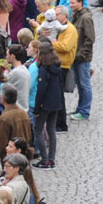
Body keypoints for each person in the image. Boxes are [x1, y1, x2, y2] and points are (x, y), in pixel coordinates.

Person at [33, 37, 64, 170]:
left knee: (38, 129)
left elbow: (41, 90)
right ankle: (51, 159)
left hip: (45, 103)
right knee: (51, 130)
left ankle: (44, 160)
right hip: (56, 102)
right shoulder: (57, 66)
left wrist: (37, 108)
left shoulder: (44, 69)